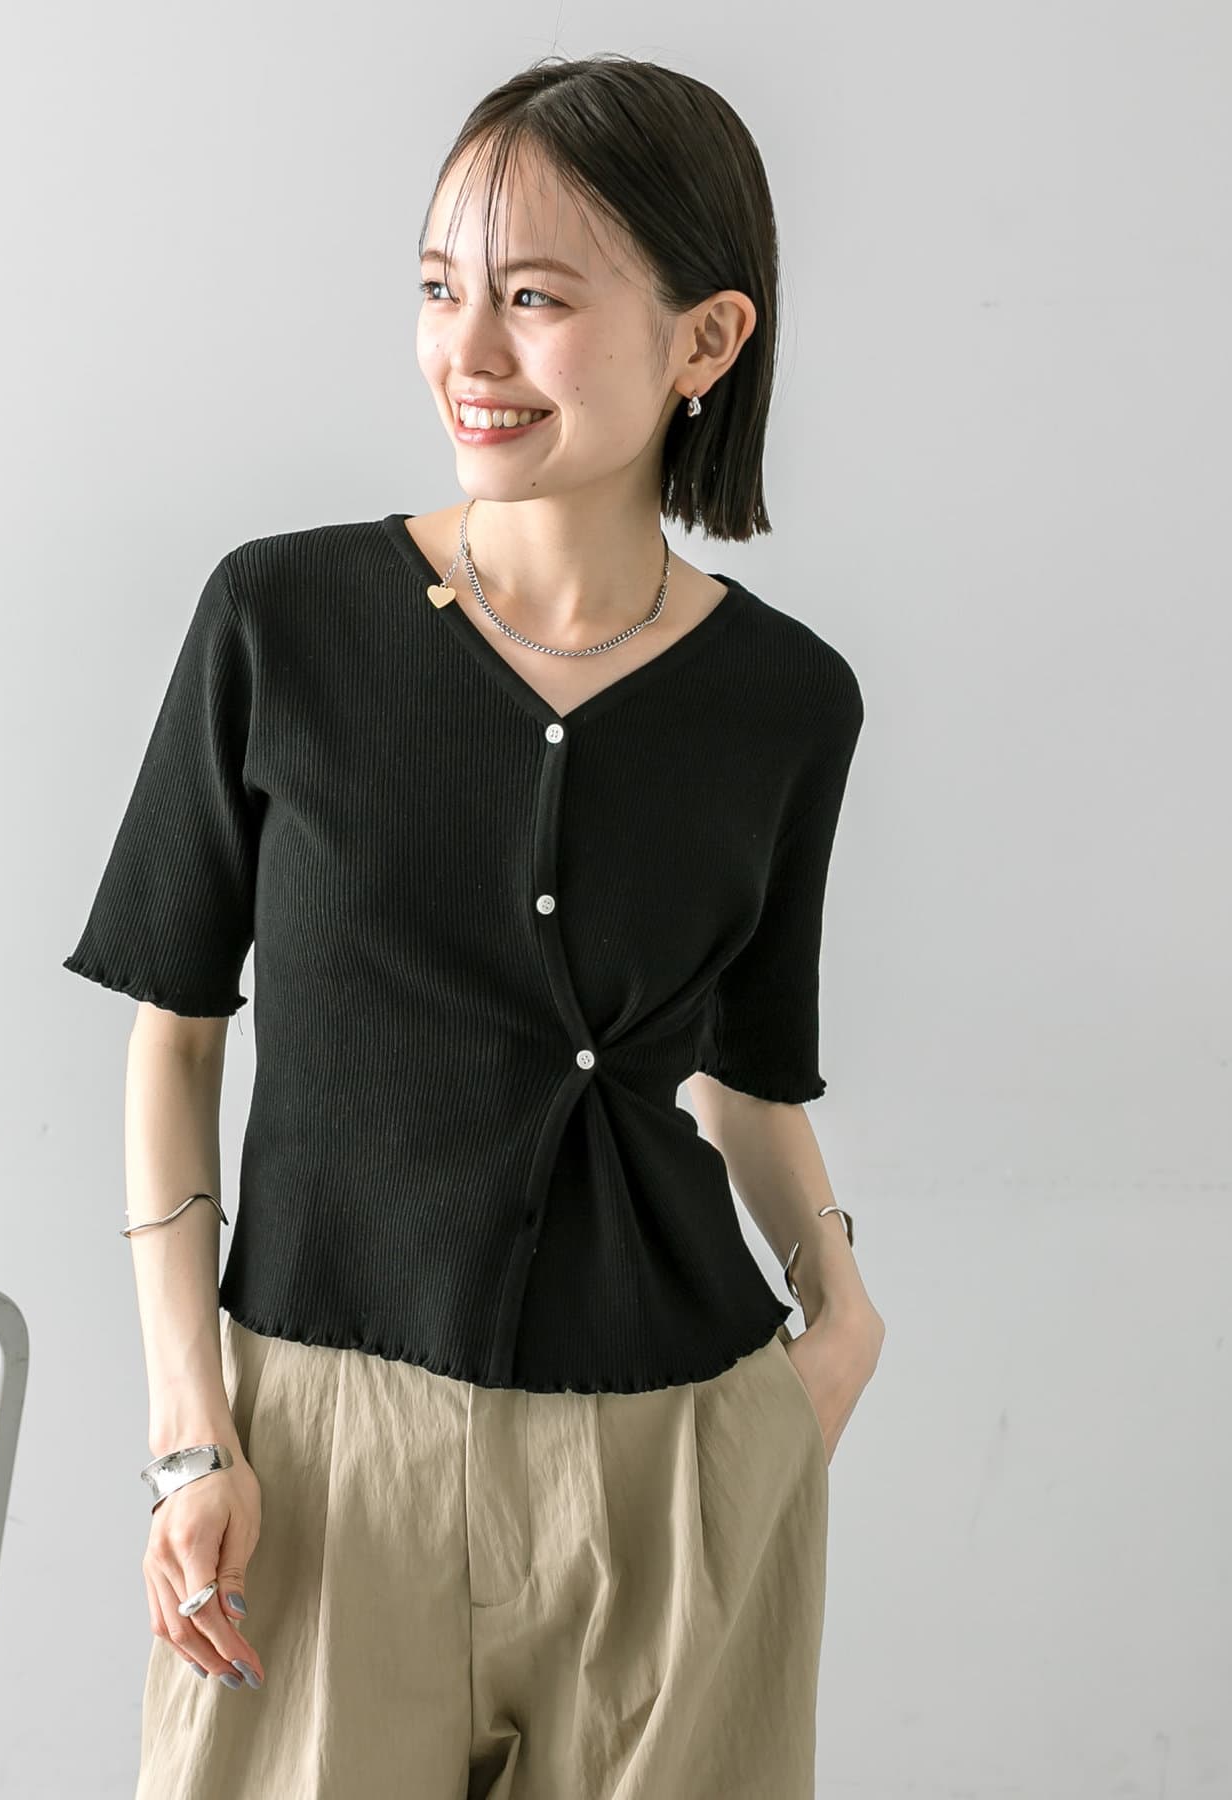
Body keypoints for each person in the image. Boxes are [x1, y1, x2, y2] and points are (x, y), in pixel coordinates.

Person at [64, 49, 884, 1800]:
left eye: (536, 299)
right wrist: (191, 1431)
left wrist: (841, 1311)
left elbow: (750, 1071)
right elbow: (175, 1033)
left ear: (706, 339)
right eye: (442, 290)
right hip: (323, 1455)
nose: (470, 353)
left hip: (673, 1455)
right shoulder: (283, 618)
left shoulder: (788, 701)